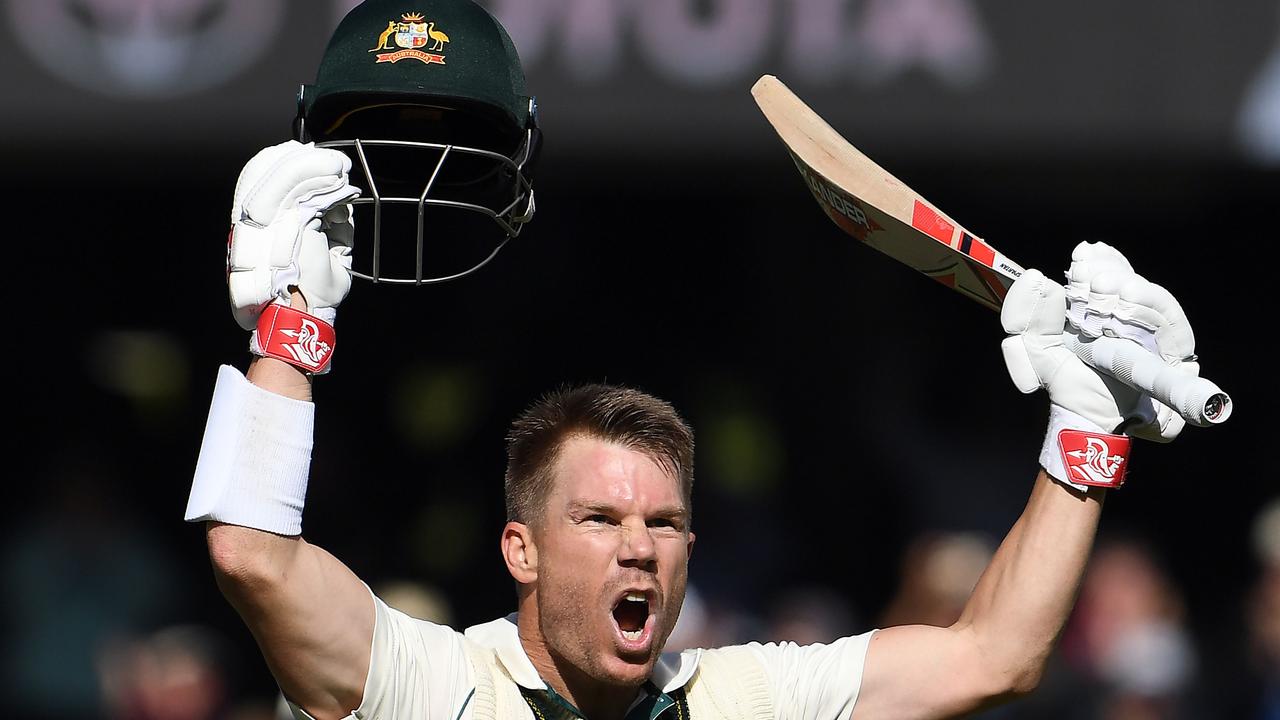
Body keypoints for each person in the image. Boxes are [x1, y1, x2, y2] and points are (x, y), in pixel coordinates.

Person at [186, 1, 1217, 719]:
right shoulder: (430, 686)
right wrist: (287, 332)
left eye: (662, 523)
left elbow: (993, 657)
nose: (639, 547)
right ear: (520, 552)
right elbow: (251, 558)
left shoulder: (736, 700)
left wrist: (1082, 430)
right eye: (598, 519)